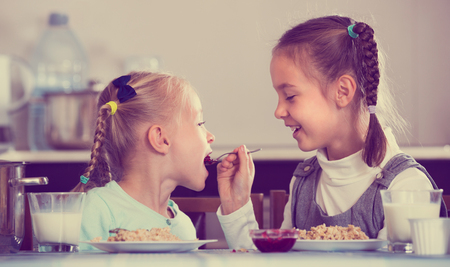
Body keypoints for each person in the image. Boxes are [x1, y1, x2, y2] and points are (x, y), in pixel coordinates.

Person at [217, 15, 447, 249]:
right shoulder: (303, 181)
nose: (278, 111)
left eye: (290, 96)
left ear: (342, 91)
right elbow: (279, 262)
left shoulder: (407, 188)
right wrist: (236, 204)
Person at [73, 71, 253, 250]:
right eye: (200, 124)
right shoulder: (97, 209)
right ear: (161, 139)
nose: (211, 136)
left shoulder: (184, 227)